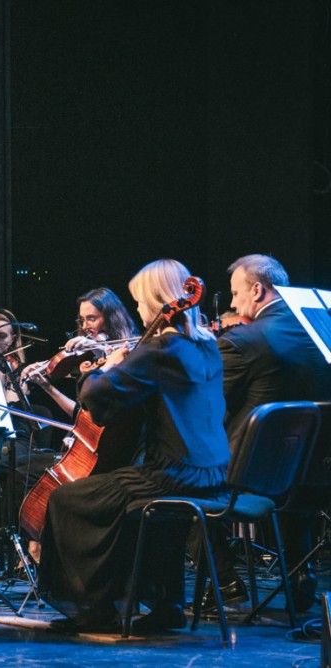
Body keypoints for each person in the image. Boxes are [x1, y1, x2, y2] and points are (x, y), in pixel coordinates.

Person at [38, 259, 230, 634]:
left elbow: (97, 398)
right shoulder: (205, 345)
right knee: (119, 499)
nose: (139, 310)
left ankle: (97, 608)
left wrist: (103, 367)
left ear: (156, 300)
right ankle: (167, 604)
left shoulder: (161, 348)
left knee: (66, 499)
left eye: (140, 302)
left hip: (171, 475)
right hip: (213, 473)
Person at [206, 254, 331, 613]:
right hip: (316, 470)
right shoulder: (321, 330)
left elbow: (209, 403)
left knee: (187, 477)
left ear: (258, 290)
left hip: (255, 474)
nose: (232, 305)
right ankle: (299, 573)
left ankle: (225, 582)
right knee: (293, 469)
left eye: (235, 293)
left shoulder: (243, 340)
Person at [22, 288, 139, 419]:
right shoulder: (88, 359)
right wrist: (46, 378)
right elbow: (83, 415)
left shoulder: (133, 348)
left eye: (91, 319)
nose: (84, 327)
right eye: (82, 320)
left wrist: (100, 348)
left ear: (111, 318)